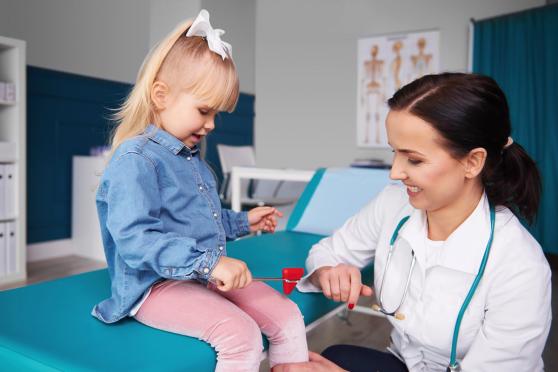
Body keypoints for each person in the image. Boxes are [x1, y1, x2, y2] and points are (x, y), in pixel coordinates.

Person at [277, 73, 552, 372]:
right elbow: (328, 251)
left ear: (472, 162)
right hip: (406, 363)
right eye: (394, 153)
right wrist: (328, 272)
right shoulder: (393, 204)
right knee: (327, 358)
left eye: (414, 160)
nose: (395, 172)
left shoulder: (520, 265)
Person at [91, 10, 308, 372]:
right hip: (155, 287)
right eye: (204, 111)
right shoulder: (136, 159)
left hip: (202, 275)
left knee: (287, 316)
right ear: (160, 96)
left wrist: (244, 221)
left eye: (216, 115)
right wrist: (210, 263)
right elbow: (135, 239)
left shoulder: (192, 160)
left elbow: (199, 222)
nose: (210, 125)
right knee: (241, 336)